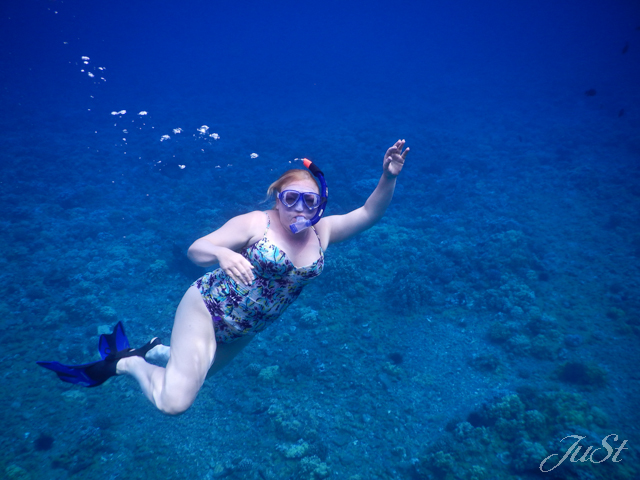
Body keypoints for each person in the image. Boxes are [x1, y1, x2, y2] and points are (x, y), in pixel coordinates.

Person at [38, 139, 410, 414]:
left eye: (309, 201)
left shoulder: (321, 234)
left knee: (192, 375)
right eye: (290, 198)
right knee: (174, 402)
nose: (299, 208)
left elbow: (367, 214)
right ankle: (129, 363)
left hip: (243, 331)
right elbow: (196, 250)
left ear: (320, 205)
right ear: (277, 197)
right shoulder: (255, 223)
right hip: (207, 310)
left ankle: (155, 350)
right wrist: (222, 253)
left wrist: (387, 177)